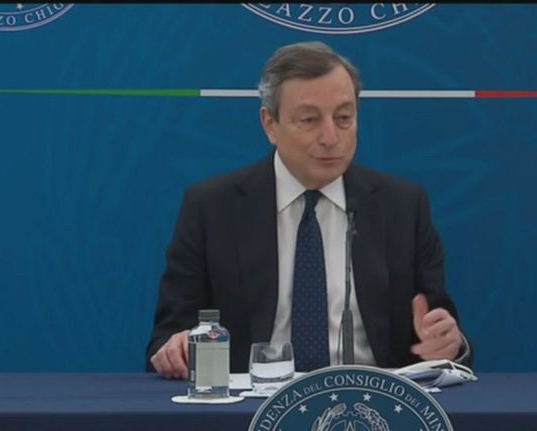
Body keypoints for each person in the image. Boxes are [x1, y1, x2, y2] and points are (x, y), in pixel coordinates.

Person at [146, 41, 472, 379]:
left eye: (343, 118)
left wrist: (449, 344)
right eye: (309, 120)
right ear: (270, 124)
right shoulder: (212, 208)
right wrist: (177, 347)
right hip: (252, 403)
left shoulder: (403, 207)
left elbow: (442, 335)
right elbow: (168, 335)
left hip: (372, 400)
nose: (330, 137)